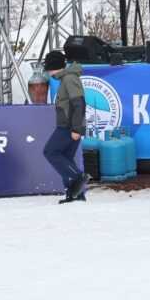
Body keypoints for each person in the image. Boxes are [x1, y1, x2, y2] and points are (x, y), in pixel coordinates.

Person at [41, 51, 89, 204]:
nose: (49, 71)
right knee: (66, 158)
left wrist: (75, 129)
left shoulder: (69, 79)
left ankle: (78, 177)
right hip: (68, 125)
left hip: (68, 127)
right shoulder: (66, 78)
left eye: (50, 68)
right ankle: (75, 194)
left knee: (50, 151)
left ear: (56, 67)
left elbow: (79, 103)